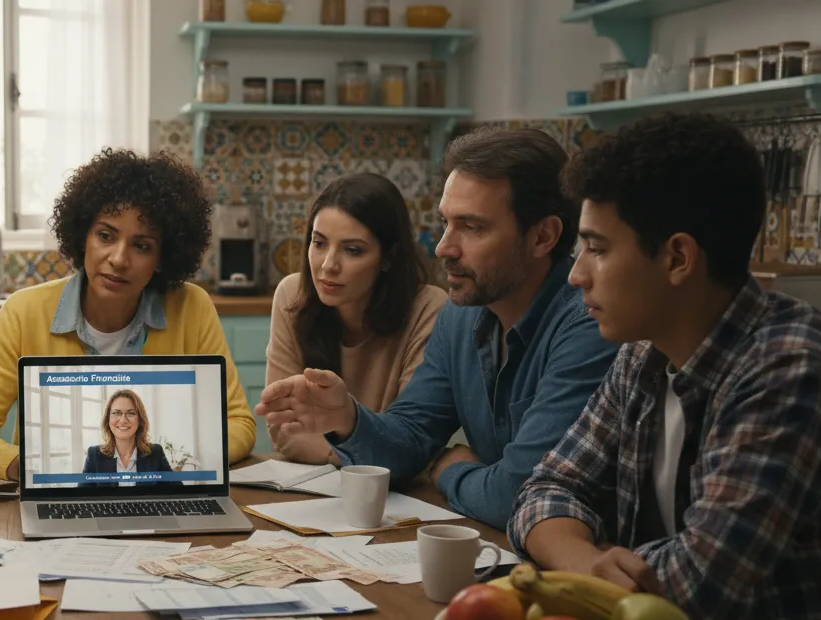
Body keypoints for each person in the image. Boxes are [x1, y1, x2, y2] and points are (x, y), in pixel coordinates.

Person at [510, 113, 821, 620]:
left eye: (597, 248)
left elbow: (699, 587)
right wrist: (587, 561)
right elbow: (546, 488)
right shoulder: (643, 355)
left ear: (678, 258)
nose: (576, 275)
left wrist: (584, 563)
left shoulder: (788, 363)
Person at [257, 128, 616, 528]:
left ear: (543, 236)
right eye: (445, 223)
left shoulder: (589, 324)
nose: (444, 247)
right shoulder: (461, 315)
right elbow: (409, 440)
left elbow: (519, 494)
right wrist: (349, 419)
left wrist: (448, 469)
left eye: (472, 227)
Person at [0, 148, 256, 480]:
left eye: (142, 246)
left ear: (163, 258)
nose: (119, 259)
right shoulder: (24, 312)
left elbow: (237, 423)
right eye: (105, 235)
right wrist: (29, 466)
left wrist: (174, 463)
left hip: (162, 491)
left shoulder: (192, 307)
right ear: (83, 239)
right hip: (56, 492)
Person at [265, 173, 446, 464]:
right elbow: (284, 429)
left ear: (389, 257)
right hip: (313, 486)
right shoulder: (291, 296)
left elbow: (412, 441)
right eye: (319, 242)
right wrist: (362, 456)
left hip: (397, 494)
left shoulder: (429, 308)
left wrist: (348, 451)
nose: (328, 265)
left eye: (352, 250)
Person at [79, 389, 179, 486]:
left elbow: (178, 494)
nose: (123, 420)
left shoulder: (155, 453)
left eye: (131, 413)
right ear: (107, 419)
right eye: (116, 413)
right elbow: (82, 499)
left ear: (140, 420)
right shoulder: (94, 455)